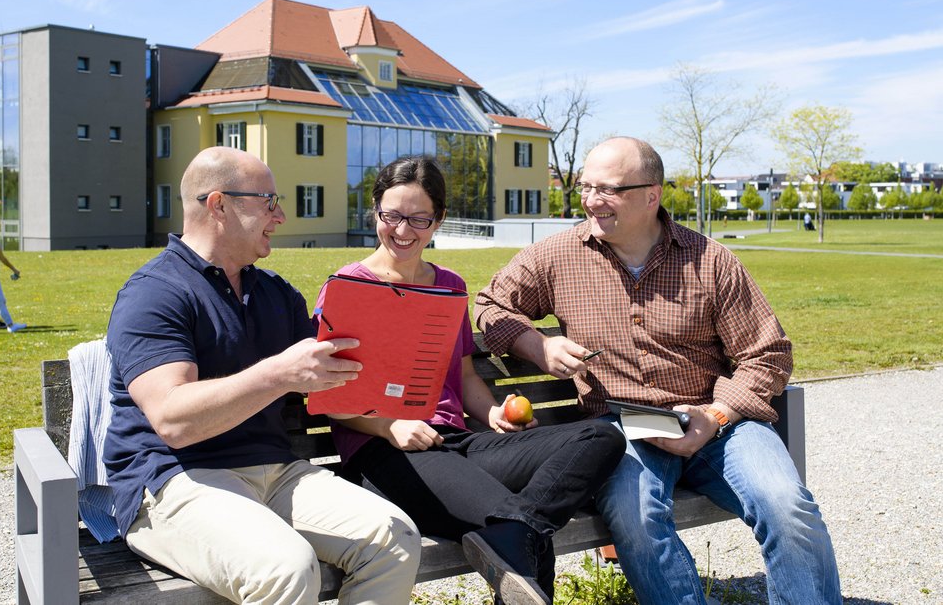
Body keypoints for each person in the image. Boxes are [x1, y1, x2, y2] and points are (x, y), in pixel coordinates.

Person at [475, 137, 841, 605]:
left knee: (788, 507)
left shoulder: (710, 261)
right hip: (621, 429)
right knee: (635, 517)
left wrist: (717, 415)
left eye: (607, 189)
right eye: (586, 187)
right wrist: (539, 346)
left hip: (719, 424)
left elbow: (766, 354)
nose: (590, 200)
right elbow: (490, 306)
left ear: (653, 195)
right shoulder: (557, 256)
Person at [103, 147, 420, 604]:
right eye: (269, 201)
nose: (282, 215)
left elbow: (337, 378)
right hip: (174, 480)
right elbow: (174, 421)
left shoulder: (274, 292)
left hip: (277, 473)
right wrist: (279, 374)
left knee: (396, 538)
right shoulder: (155, 292)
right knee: (286, 569)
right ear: (219, 204)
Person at [315, 156, 627, 605]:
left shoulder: (448, 285)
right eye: (392, 216)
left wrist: (492, 412)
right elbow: (324, 389)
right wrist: (390, 425)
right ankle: (518, 531)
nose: (403, 230)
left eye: (419, 218)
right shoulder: (347, 285)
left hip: (456, 441)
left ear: (438, 220)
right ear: (375, 211)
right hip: (385, 453)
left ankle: (519, 530)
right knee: (513, 527)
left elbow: (461, 374)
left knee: (601, 437)